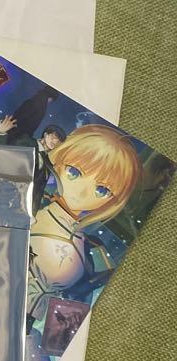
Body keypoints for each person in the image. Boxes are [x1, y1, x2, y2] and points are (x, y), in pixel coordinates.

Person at [27, 124, 140, 332]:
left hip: (28, 325)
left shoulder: (92, 248)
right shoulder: (31, 206)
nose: (82, 191)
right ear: (59, 160)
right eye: (74, 172)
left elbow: (77, 306)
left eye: (102, 190)